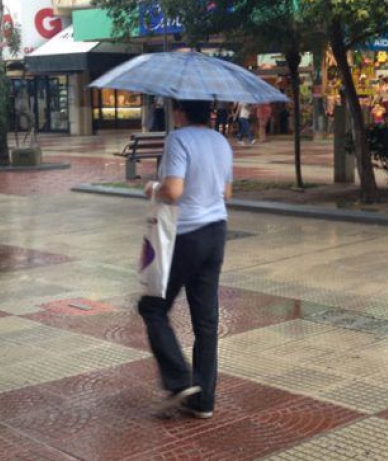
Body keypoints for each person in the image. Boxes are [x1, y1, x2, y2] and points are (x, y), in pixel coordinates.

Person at [139, 99, 233, 420]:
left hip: (187, 235)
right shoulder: (221, 141)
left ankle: (179, 379)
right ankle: (203, 400)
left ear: (180, 112)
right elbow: (227, 192)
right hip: (216, 232)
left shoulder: (178, 139)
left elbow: (174, 190)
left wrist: (153, 187)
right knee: (206, 321)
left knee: (152, 307)